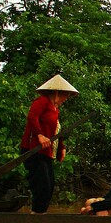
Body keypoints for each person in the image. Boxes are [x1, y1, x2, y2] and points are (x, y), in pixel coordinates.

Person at [20, 74, 79, 213]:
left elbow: (56, 130)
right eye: (66, 95)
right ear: (57, 93)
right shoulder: (42, 102)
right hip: (34, 150)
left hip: (46, 152)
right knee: (42, 184)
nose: (66, 99)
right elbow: (32, 116)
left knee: (50, 184)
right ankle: (37, 213)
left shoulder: (55, 109)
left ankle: (40, 213)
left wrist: (61, 148)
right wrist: (39, 135)